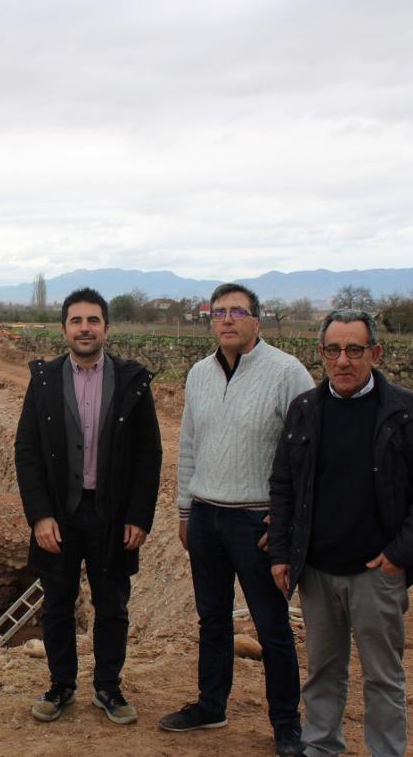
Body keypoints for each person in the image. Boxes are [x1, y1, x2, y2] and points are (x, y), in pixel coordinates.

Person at [268, 309, 413, 757]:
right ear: (321, 355)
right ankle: (321, 747)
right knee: (322, 671)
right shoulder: (305, 410)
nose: (343, 360)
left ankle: (386, 751)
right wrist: (281, 552)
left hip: (377, 571)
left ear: (375, 353)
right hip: (317, 570)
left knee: (383, 676)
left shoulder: (408, 411)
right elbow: (283, 485)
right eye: (333, 350)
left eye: (354, 350)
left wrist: (400, 554)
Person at [159, 283, 311, 757]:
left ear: (256, 322)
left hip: (257, 521)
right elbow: (189, 446)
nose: (227, 319)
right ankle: (211, 704)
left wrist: (286, 524)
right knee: (212, 620)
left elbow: (308, 456)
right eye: (218, 311)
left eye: (237, 312)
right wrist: (185, 510)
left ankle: (286, 723)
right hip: (206, 516)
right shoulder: (199, 374)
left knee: (272, 627)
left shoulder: (287, 373)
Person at [14, 287, 162, 725]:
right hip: (60, 514)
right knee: (58, 603)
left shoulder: (132, 381)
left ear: (106, 328)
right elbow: (27, 451)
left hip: (112, 515)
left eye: (92, 320)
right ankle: (61, 685)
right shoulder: (43, 381)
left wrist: (139, 515)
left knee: (112, 605)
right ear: (64, 329)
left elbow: (148, 454)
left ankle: (108, 687)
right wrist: (40, 515)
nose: (84, 328)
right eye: (76, 321)